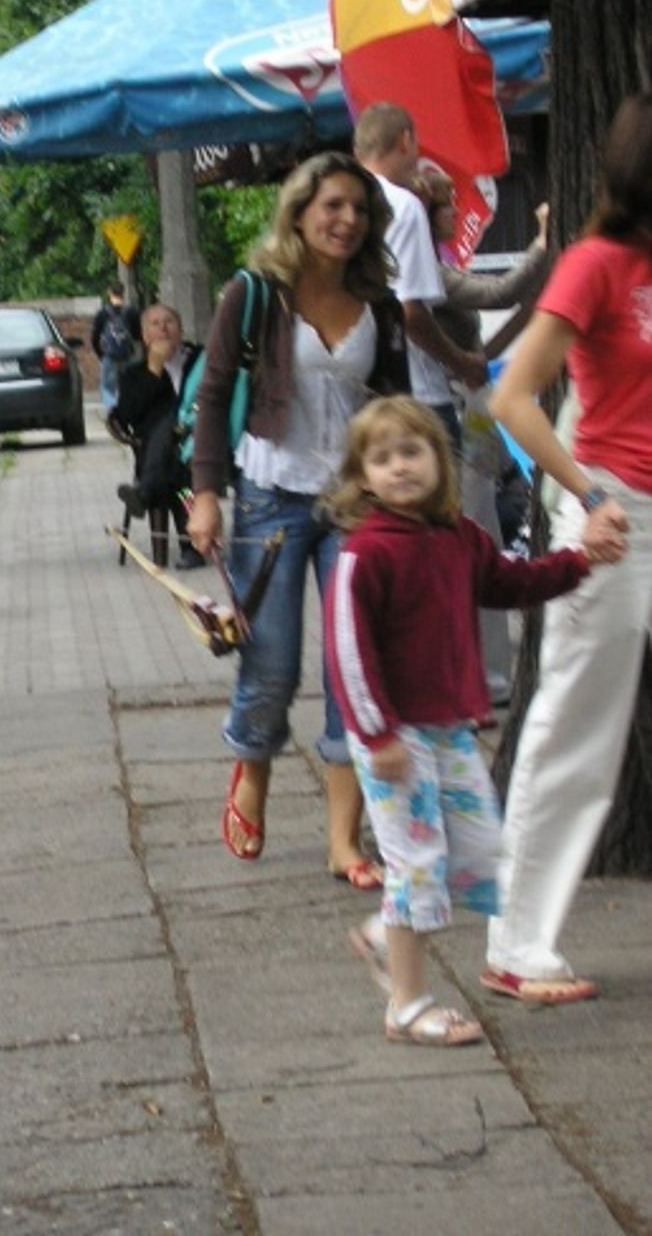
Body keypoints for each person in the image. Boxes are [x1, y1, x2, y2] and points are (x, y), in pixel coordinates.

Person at [325, 396, 593, 1046]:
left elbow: (507, 583)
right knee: (417, 863)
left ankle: (383, 936)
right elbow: (347, 652)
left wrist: (581, 561)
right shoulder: (366, 553)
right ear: (362, 478)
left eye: (412, 451)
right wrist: (376, 733)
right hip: (396, 737)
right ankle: (408, 1004)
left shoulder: (456, 537)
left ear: (438, 462)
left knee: (475, 854)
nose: (400, 467)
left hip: (449, 727)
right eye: (382, 458)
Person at [185, 151, 410, 882]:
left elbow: (398, 410)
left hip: (356, 506)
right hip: (269, 498)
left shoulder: (381, 303)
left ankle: (344, 839)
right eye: (333, 206)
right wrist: (207, 492)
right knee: (272, 662)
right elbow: (215, 395)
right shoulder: (254, 294)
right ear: (301, 210)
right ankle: (252, 769)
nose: (346, 221)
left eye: (360, 210)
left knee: (353, 669)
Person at [484, 92, 651, 1006]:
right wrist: (589, 499)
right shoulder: (595, 265)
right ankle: (517, 942)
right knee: (575, 729)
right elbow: (513, 399)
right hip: (618, 520)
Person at [422, 177, 552, 703]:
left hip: (466, 400)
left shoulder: (433, 262)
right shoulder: (427, 271)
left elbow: (484, 333)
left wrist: (480, 363)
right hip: (457, 404)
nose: (457, 212)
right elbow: (498, 293)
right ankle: (488, 672)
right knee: (478, 528)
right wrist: (542, 243)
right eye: (447, 205)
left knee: (480, 526)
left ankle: (485, 669)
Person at [353, 103, 488, 446]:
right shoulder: (401, 205)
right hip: (417, 392)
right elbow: (409, 311)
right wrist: (460, 362)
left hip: (357, 392)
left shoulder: (338, 203)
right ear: (405, 140)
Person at [111, 302, 204, 569]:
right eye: (155, 324)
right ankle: (191, 548)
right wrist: (154, 369)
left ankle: (143, 493)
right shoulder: (133, 374)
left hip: (200, 441)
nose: (163, 329)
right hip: (159, 453)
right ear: (144, 335)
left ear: (181, 330)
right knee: (172, 461)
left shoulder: (200, 361)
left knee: (175, 424)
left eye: (169, 322)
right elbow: (125, 416)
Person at [90, 281, 141, 410]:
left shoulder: (103, 313)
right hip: (127, 354)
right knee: (129, 384)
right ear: (123, 293)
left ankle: (112, 413)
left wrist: (101, 355)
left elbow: (94, 337)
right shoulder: (132, 312)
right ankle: (128, 410)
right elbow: (137, 336)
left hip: (109, 355)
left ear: (110, 293)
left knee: (108, 386)